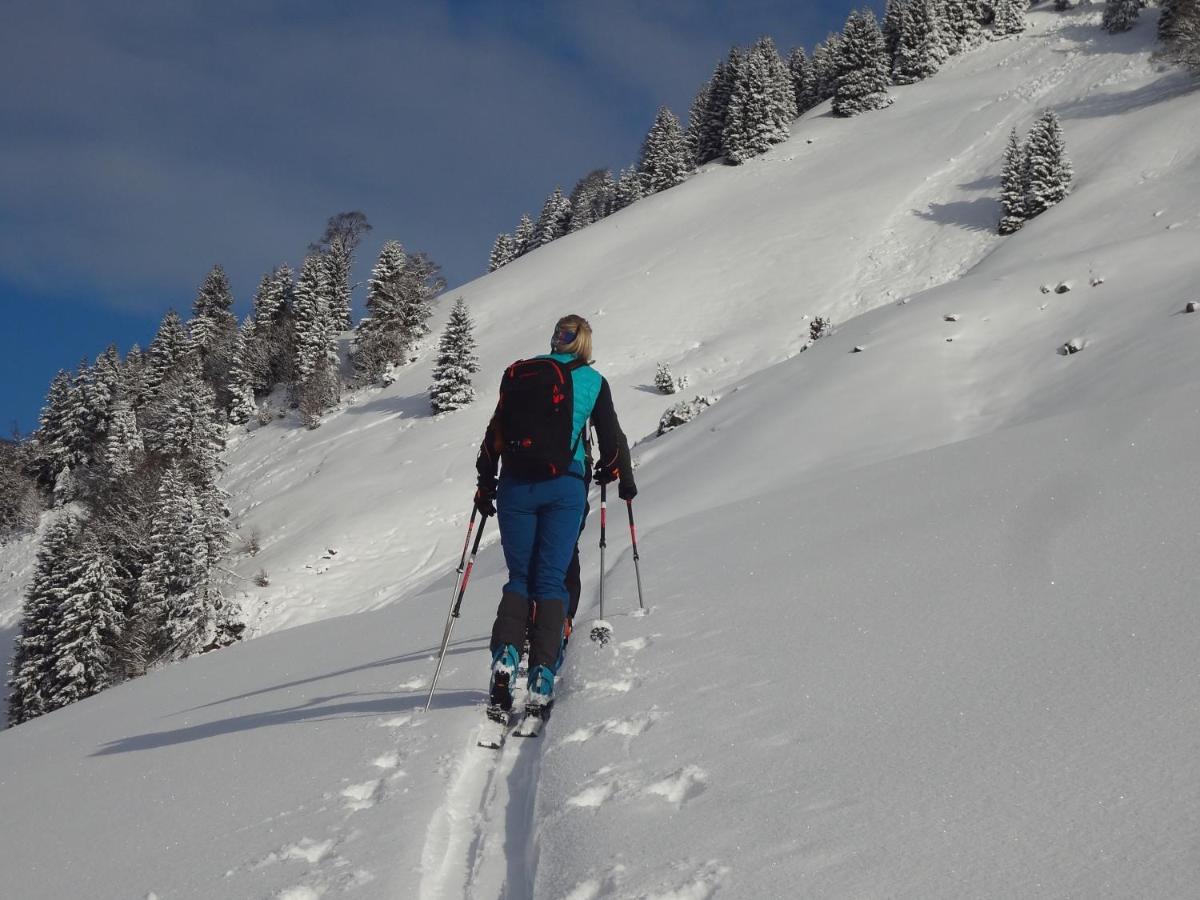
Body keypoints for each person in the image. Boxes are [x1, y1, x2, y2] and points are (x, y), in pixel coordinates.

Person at [475, 314, 636, 714]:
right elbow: (612, 441)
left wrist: (485, 482)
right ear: (584, 343)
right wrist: (614, 472)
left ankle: (506, 658)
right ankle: (542, 673)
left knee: (520, 577)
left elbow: (494, 434)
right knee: (550, 578)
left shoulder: (519, 374)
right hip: (564, 487)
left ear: (556, 339)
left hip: (515, 486)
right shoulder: (592, 382)